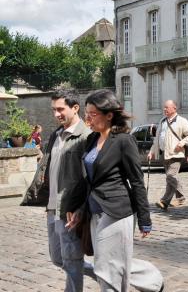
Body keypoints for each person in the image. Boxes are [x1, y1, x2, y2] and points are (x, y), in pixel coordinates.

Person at [65, 89, 163, 292]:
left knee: (106, 267)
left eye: (92, 114)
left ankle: (149, 282)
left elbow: (136, 181)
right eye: (87, 114)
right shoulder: (92, 139)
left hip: (116, 211)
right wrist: (75, 207)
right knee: (109, 263)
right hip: (94, 212)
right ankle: (153, 281)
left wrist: (145, 219)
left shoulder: (124, 141)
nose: (88, 119)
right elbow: (87, 180)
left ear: (109, 115)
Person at [43, 90, 95, 291]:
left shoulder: (87, 137)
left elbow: (90, 180)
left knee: (72, 263)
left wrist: (81, 208)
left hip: (71, 211)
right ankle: (103, 273)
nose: (56, 114)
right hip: (52, 208)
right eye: (53, 110)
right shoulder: (55, 134)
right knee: (58, 259)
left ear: (75, 108)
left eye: (60, 109)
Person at [148, 100, 188, 211]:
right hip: (165, 154)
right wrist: (152, 151)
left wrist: (182, 143)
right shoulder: (162, 121)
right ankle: (165, 202)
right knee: (169, 179)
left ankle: (181, 196)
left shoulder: (182, 121)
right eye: (164, 108)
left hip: (176, 154)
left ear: (174, 108)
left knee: (171, 176)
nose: (164, 109)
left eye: (167, 107)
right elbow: (157, 139)